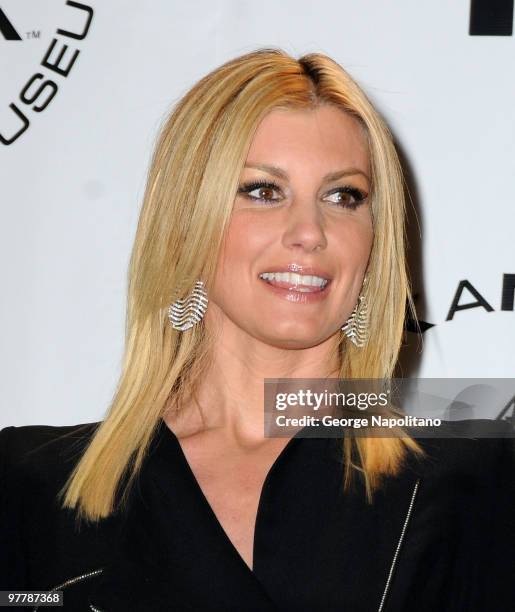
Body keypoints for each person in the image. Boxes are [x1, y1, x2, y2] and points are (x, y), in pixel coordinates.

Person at [0, 47, 513, 612]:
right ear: (185, 224)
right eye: (263, 191)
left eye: (344, 196)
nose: (309, 232)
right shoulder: (31, 485)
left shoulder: (478, 482)